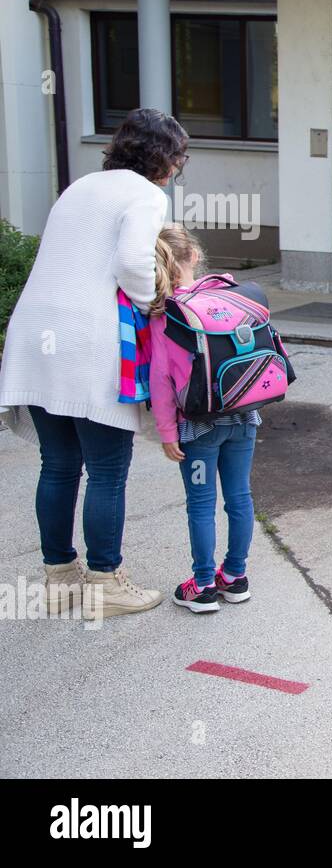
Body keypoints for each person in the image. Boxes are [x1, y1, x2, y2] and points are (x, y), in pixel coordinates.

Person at [0, 108, 189, 617]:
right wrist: (157, 303)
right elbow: (131, 262)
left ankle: (60, 578)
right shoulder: (147, 195)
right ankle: (106, 582)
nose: (176, 168)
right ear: (164, 158)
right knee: (107, 470)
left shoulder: (81, 186)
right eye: (179, 158)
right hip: (90, 340)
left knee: (59, 464)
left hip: (35, 335)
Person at [147, 225, 259, 613]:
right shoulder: (231, 295)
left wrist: (166, 432)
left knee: (201, 503)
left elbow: (161, 381)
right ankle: (236, 576)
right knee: (239, 497)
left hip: (199, 426)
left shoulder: (166, 315)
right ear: (194, 256)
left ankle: (204, 584)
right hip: (245, 416)